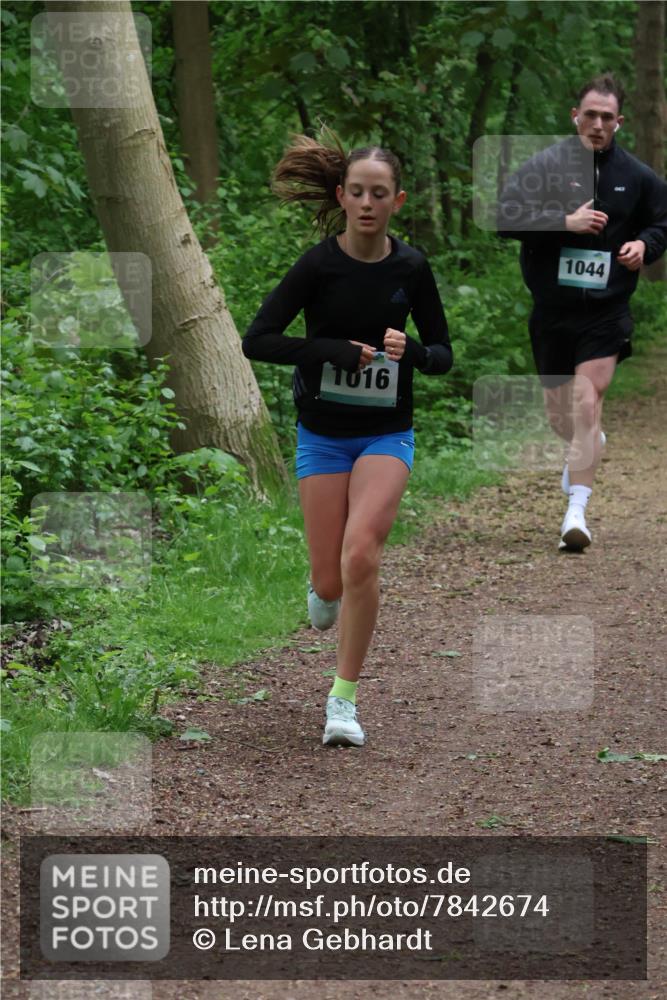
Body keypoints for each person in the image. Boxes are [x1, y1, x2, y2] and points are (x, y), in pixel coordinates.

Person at [243, 130, 453, 747]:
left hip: (387, 432)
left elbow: (442, 354)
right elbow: (258, 340)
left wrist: (411, 351)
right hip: (323, 436)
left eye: (379, 193)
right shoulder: (317, 265)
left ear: (397, 200)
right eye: (357, 191)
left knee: (362, 552)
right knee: (330, 579)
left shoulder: (411, 267)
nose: (367, 202)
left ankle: (343, 700)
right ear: (341, 195)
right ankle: (321, 585)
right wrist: (329, 350)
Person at [498, 73, 667, 550]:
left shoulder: (636, 175)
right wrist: (563, 222)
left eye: (607, 117)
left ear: (619, 122)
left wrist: (644, 244)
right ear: (575, 115)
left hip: (606, 311)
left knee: (586, 399)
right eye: (589, 115)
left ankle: (577, 511)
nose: (597, 124)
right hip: (552, 310)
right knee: (562, 417)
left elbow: (663, 219)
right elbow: (503, 218)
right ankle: (586, 444)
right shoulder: (543, 168)